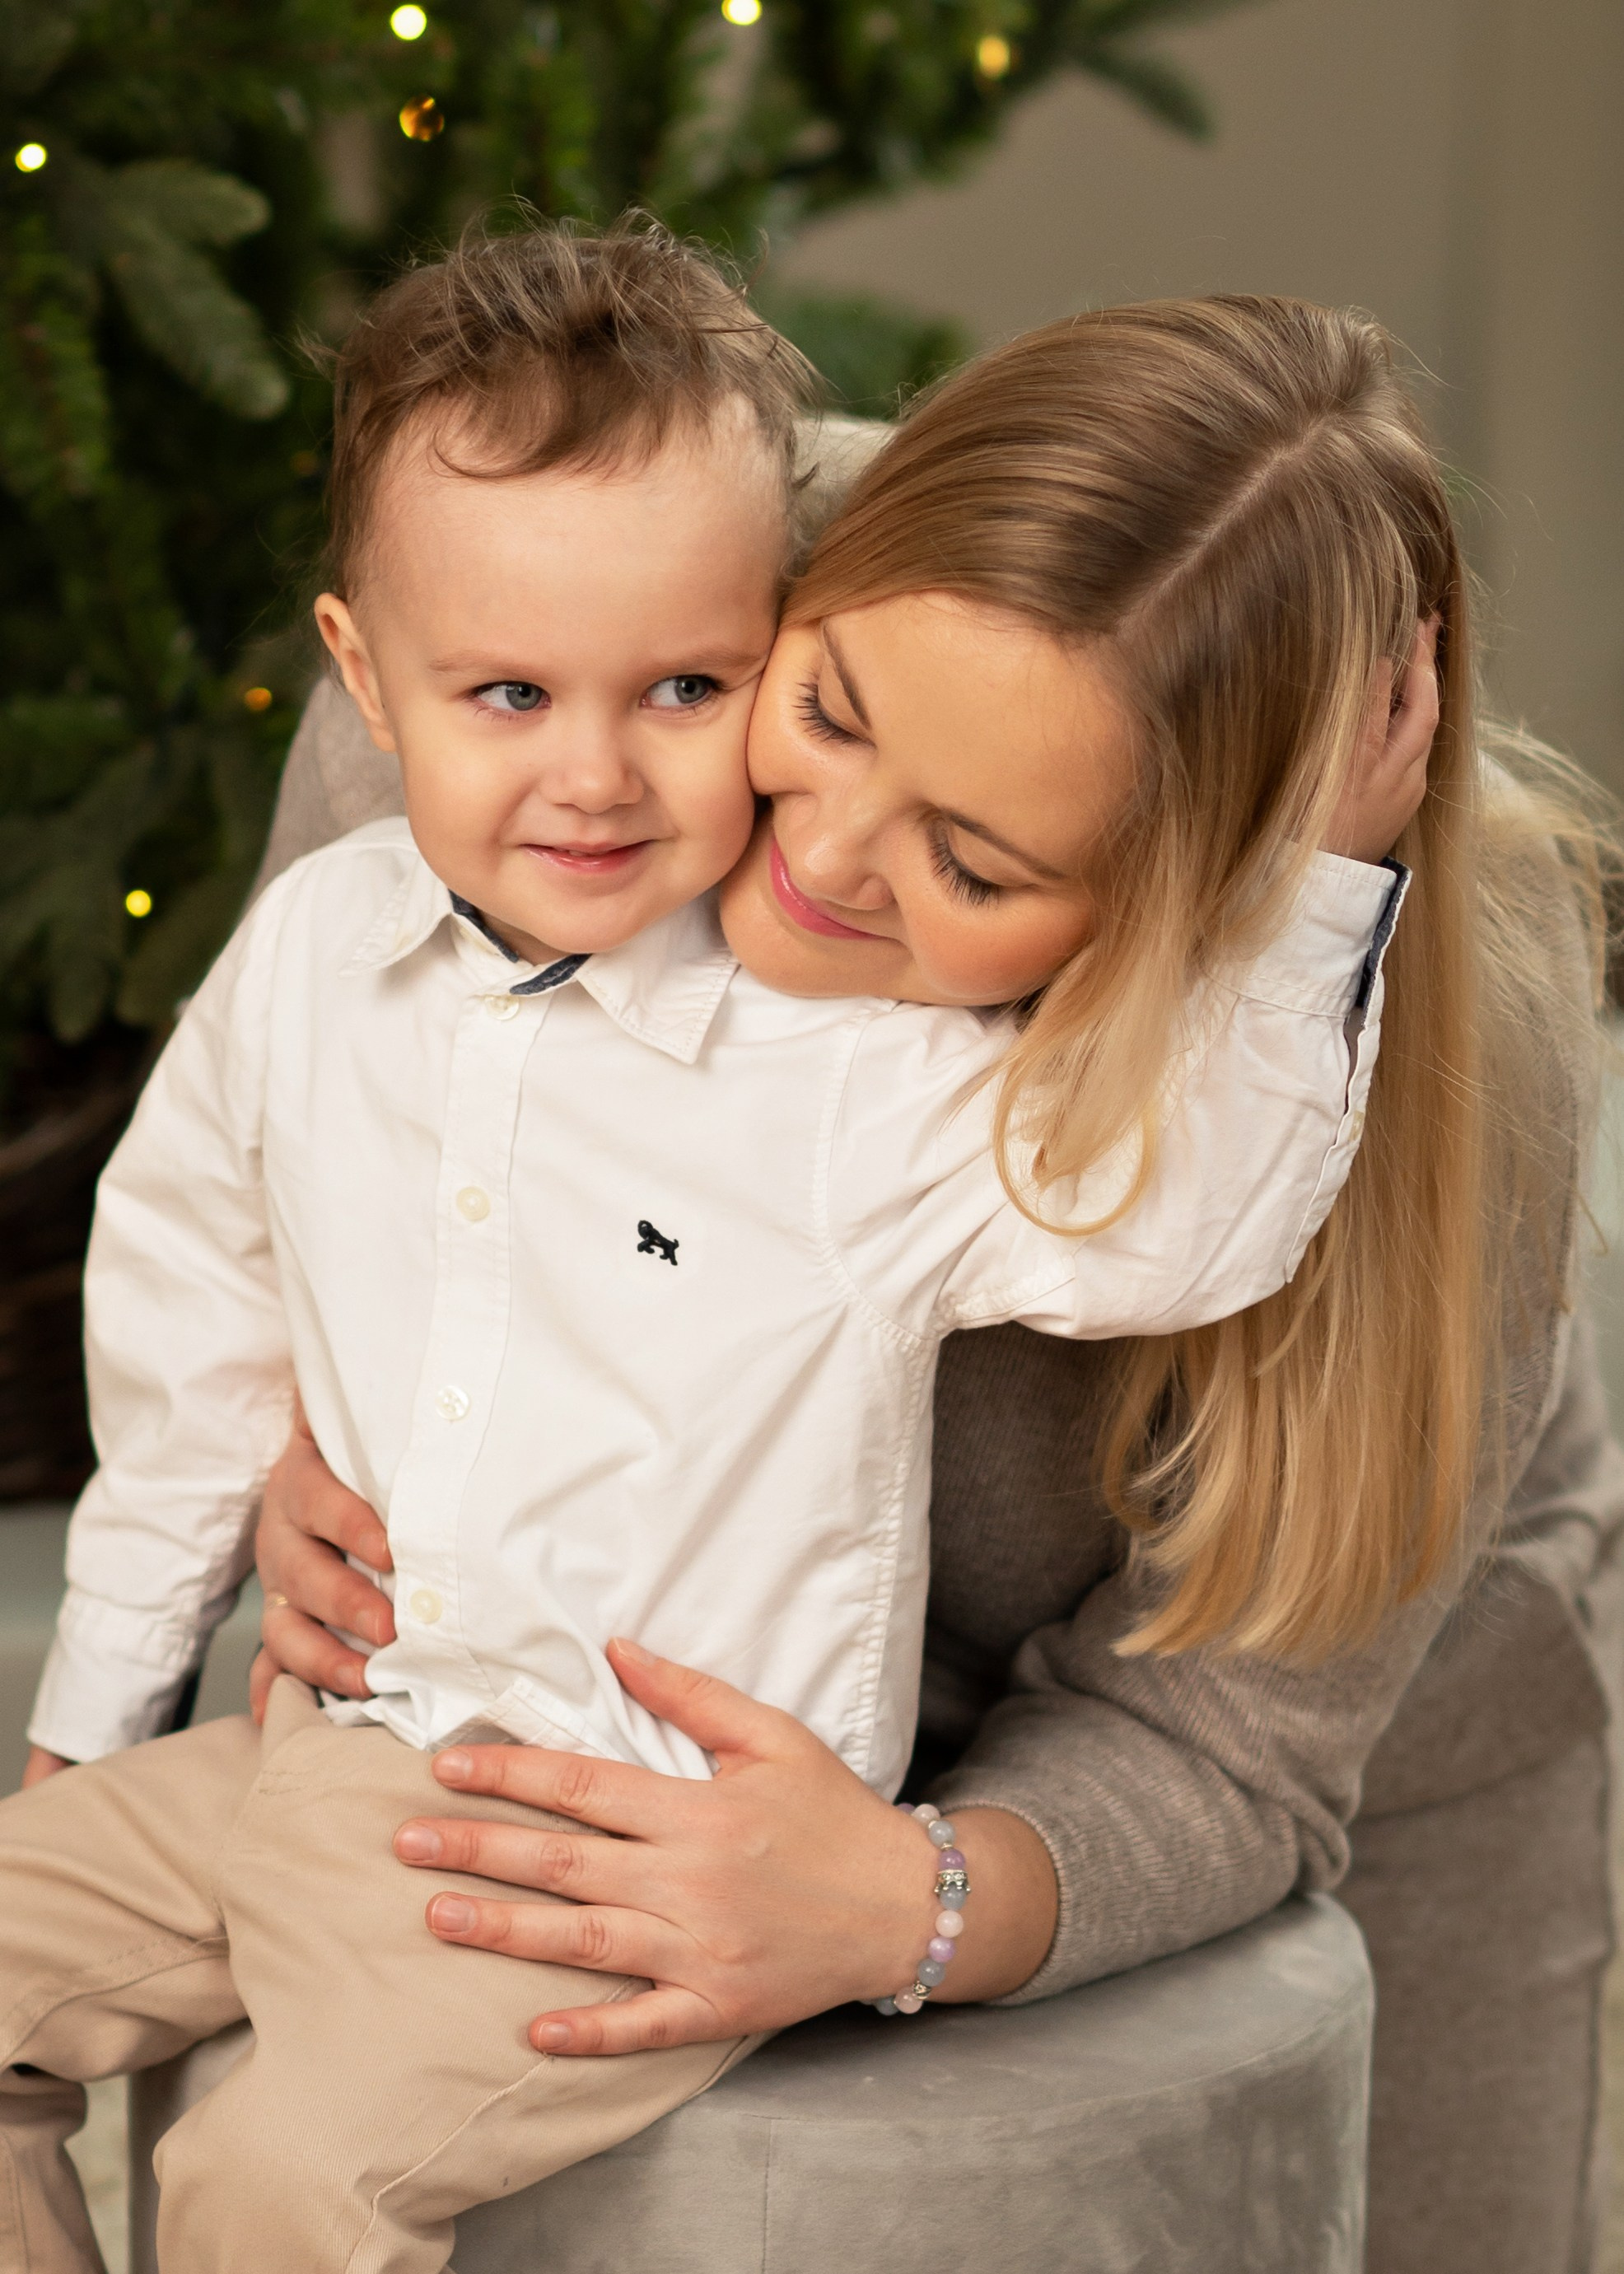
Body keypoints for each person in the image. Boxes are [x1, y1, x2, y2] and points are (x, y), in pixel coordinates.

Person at [0, 234, 1412, 2274]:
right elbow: (192, 1291)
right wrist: (103, 1704)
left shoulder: (861, 1074)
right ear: (361, 673)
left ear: (758, 625)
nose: (591, 771)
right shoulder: (319, 950)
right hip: (318, 1752)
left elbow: (1177, 1229)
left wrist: (1309, 910)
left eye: (684, 686)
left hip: (605, 1851)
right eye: (507, 694)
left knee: (264, 2187)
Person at [254, 298, 1616, 2274]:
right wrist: (297, 1431)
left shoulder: (1439, 1065)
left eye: (973, 868)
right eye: (815, 718)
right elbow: (313, 1121)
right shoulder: (580, 582)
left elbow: (1235, 1732)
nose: (811, 862)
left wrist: (920, 1895)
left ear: (1184, 919)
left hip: (1341, 1716)